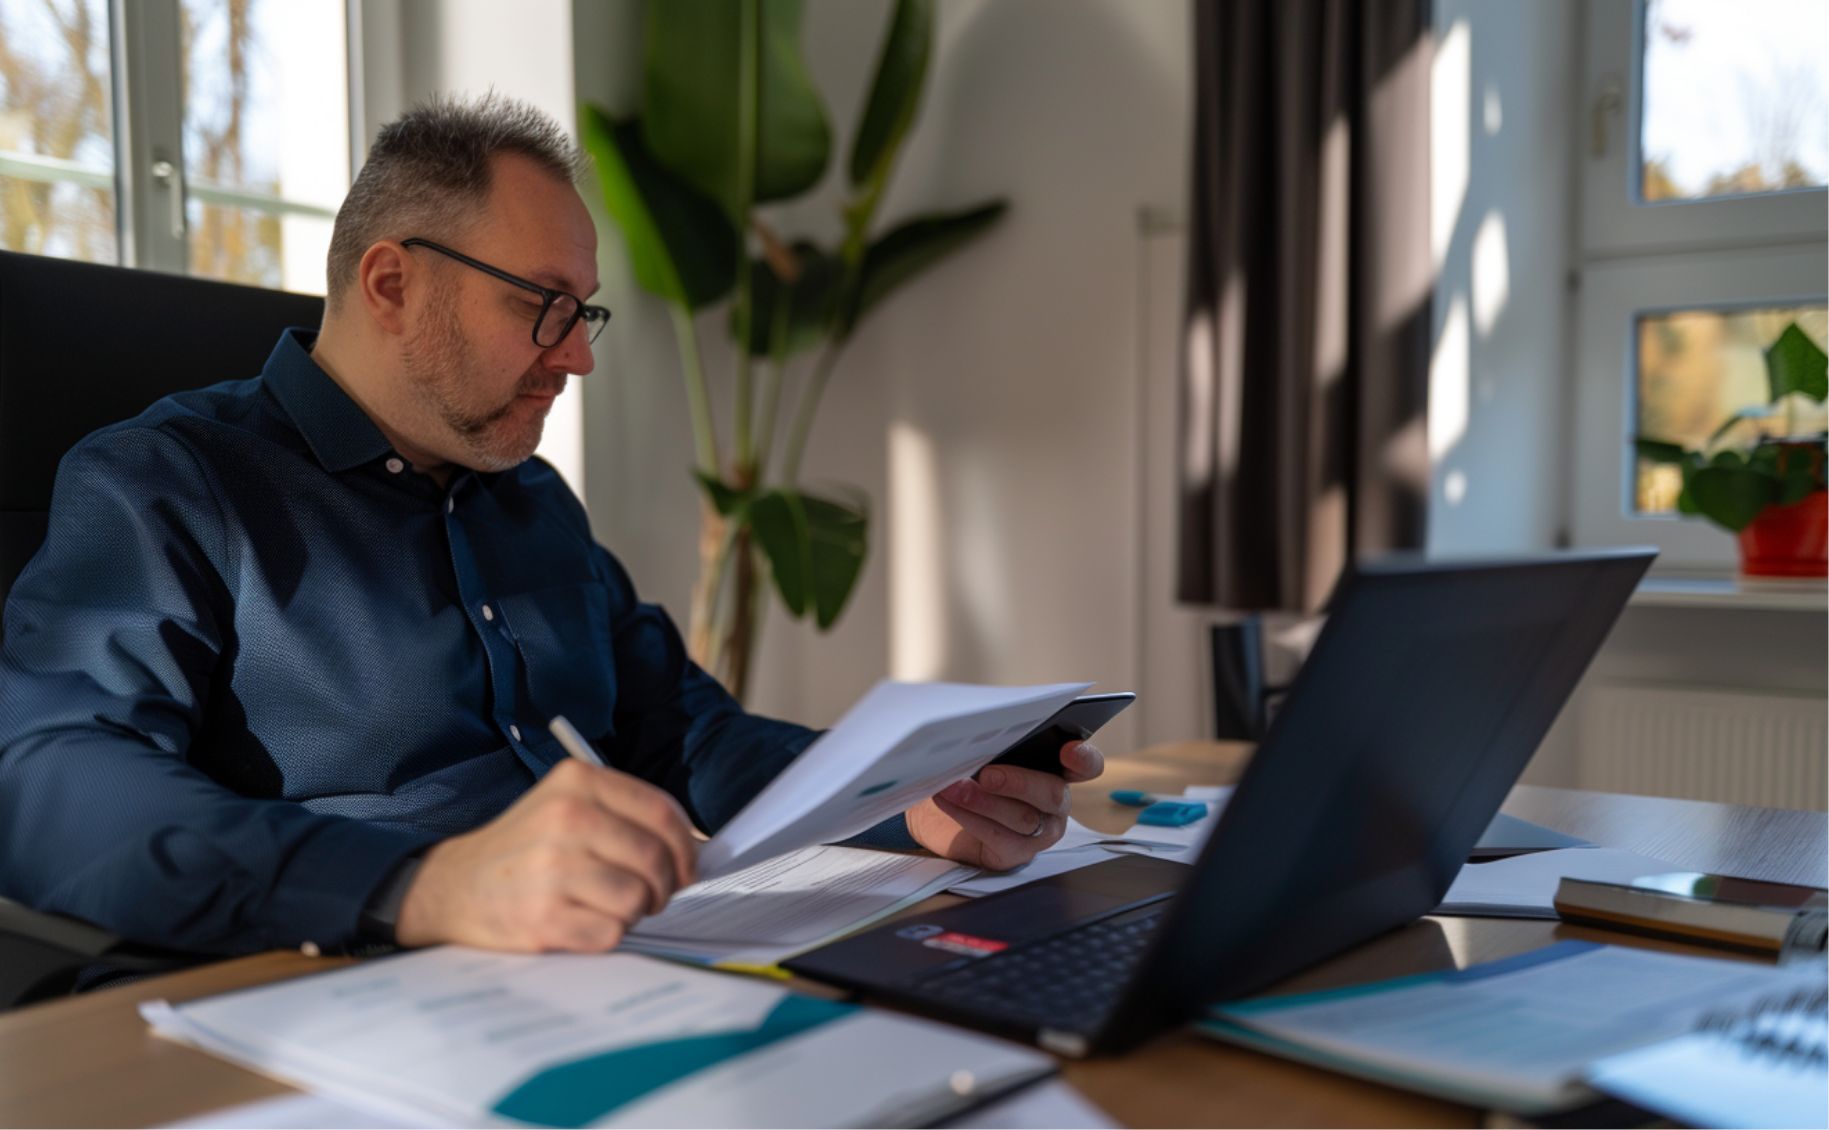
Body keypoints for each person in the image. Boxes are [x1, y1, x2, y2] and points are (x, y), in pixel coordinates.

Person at [0, 95, 1103, 958]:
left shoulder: (529, 498)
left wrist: (910, 800)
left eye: (586, 313)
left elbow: (679, 736)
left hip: (636, 955)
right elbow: (48, 777)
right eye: (544, 305)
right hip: (361, 975)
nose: (577, 355)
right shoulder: (167, 483)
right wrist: (423, 887)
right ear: (391, 282)